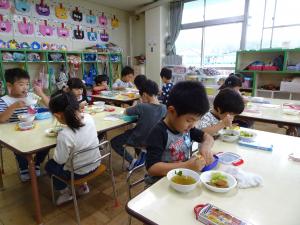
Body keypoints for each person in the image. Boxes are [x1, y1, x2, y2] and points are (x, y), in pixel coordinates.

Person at [145, 81, 214, 185]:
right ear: (172, 111)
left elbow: (208, 137)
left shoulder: (187, 128)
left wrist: (205, 147)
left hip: (182, 178)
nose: (193, 125)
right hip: (160, 184)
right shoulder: (159, 132)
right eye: (189, 120)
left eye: (196, 120)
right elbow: (152, 168)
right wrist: (186, 166)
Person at [45, 91, 101, 205]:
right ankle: (83, 186)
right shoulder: (89, 118)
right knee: (77, 155)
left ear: (57, 115)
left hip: (78, 173)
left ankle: (66, 193)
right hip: (95, 163)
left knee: (50, 166)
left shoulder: (65, 134)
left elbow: (59, 160)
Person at [0, 68, 49, 181]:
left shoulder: (31, 97)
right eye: (21, 84)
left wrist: (40, 92)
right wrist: (13, 107)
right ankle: (23, 168)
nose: (25, 87)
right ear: (9, 85)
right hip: (15, 133)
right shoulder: (4, 100)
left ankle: (36, 163)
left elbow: (50, 106)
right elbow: (1, 119)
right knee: (19, 145)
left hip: (34, 129)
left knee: (48, 139)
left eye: (27, 84)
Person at [111, 79, 167, 170]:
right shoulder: (164, 108)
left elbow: (126, 112)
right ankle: (142, 157)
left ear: (144, 95)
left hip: (140, 139)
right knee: (129, 132)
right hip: (154, 140)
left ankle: (133, 161)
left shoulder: (142, 106)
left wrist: (139, 103)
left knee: (114, 142)